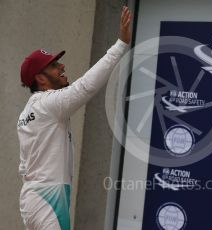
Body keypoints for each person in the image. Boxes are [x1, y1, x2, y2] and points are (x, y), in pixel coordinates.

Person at [17, 6, 131, 230]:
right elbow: (86, 86)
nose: (61, 65)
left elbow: (24, 167)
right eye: (53, 65)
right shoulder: (48, 104)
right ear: (40, 78)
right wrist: (121, 45)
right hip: (49, 199)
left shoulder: (28, 112)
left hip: (34, 199)